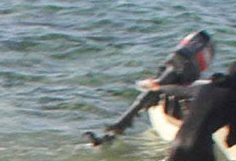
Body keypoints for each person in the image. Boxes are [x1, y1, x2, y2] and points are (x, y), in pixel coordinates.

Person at [86, 30, 214, 145]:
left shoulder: (176, 64)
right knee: (156, 93)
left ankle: (118, 128)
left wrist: (153, 84)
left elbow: (157, 86)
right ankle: (115, 131)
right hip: (180, 83)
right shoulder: (185, 65)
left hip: (175, 75)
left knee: (151, 93)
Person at [167, 61, 236, 161]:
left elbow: (180, 91)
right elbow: (230, 142)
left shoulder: (205, 88)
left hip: (178, 142)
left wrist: (158, 87)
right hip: (200, 146)